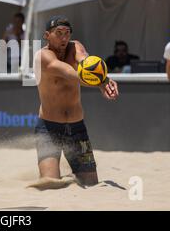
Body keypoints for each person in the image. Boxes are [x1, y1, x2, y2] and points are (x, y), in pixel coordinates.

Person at [34, 16, 119, 186]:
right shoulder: (42, 56)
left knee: (91, 183)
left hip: (76, 127)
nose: (64, 38)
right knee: (49, 183)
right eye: (59, 33)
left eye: (67, 33)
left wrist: (104, 79)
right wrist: (101, 82)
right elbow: (70, 73)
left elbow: (86, 62)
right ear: (47, 35)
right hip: (49, 128)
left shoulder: (76, 47)